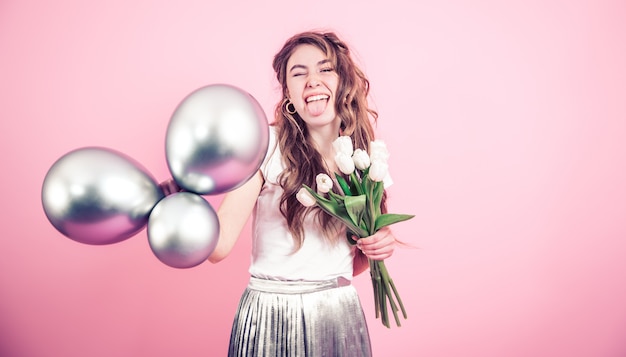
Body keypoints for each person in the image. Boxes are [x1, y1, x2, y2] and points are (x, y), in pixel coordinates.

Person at [209, 31, 398, 357]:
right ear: (288, 94)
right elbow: (219, 245)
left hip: (336, 312)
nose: (312, 80)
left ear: (344, 82)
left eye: (325, 69)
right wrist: (179, 205)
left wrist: (380, 240)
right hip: (270, 314)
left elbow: (353, 260)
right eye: (299, 73)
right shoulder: (265, 145)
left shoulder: (365, 155)